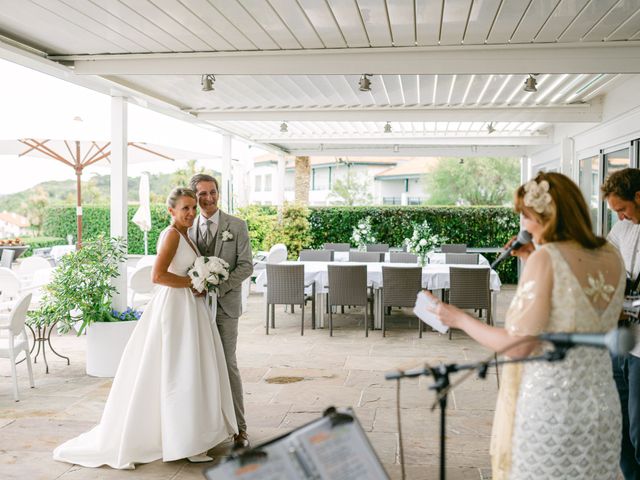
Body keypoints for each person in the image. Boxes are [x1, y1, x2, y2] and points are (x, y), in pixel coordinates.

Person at [427, 172, 623, 479]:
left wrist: (459, 318)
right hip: (601, 404)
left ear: (547, 216)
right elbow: (573, 305)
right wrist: (534, 259)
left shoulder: (547, 259)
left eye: (526, 217)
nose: (525, 227)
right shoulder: (611, 254)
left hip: (553, 406)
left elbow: (519, 345)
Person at [53, 188, 237, 469]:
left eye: (192, 208)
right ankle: (183, 440)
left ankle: (190, 435)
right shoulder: (172, 235)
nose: (190, 213)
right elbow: (158, 275)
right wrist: (194, 282)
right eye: (184, 208)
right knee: (178, 369)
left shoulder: (186, 234)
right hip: (176, 309)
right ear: (171, 212)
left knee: (191, 368)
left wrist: (201, 281)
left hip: (189, 307)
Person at [188, 174, 253, 449]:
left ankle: (240, 429)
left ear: (218, 193)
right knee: (198, 366)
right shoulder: (187, 227)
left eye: (212, 192)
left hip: (226, 307)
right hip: (194, 308)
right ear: (194, 197)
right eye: (202, 194)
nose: (209, 198)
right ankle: (206, 428)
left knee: (228, 364)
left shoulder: (236, 226)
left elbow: (246, 266)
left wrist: (218, 286)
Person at [602, 167, 640, 479]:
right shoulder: (623, 229)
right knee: (618, 428)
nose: (621, 216)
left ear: (639, 196)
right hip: (619, 339)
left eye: (623, 209)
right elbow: (603, 259)